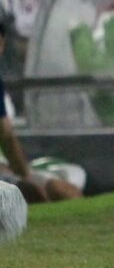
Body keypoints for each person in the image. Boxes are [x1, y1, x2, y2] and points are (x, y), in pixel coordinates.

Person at [0, 23, 83, 203]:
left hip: (8, 166)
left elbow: (7, 137)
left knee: (62, 190)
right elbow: (6, 136)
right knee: (30, 192)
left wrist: (23, 173)